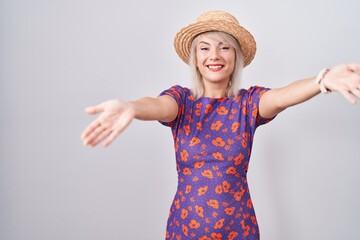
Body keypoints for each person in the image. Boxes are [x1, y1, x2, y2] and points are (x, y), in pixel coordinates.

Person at [81, 10, 360, 240]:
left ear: (236, 56)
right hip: (184, 229)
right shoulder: (181, 101)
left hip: (239, 230)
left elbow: (283, 95)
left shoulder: (248, 104)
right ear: (196, 60)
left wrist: (321, 81)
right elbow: (157, 105)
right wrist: (131, 107)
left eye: (224, 47)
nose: (214, 55)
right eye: (205, 48)